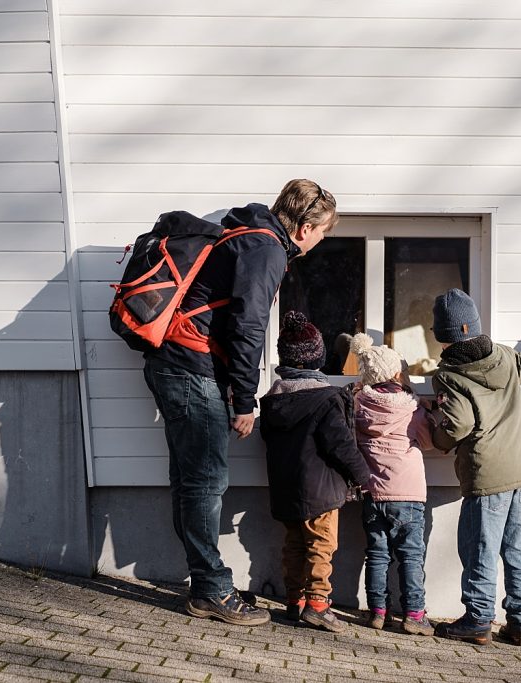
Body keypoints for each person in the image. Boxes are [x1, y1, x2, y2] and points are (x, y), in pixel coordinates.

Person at [142, 180, 337, 626]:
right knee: (206, 480)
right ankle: (211, 589)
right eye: (324, 231)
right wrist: (245, 401)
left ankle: (203, 584)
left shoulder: (247, 235)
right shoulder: (265, 249)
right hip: (189, 366)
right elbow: (247, 328)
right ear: (306, 227)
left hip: (177, 362)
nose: (322, 240)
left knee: (192, 479)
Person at [429, 288, 521, 646]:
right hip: (520, 468)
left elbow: (457, 426)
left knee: (479, 546)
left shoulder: (450, 376)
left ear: (442, 336)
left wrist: (436, 435)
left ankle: (478, 619)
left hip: (487, 475)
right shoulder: (505, 358)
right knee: (516, 547)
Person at [259, 312, 372, 633]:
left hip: (286, 489)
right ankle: (319, 605)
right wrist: (364, 476)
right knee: (321, 547)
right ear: (318, 359)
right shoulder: (325, 399)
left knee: (294, 544)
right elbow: (341, 445)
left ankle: (294, 602)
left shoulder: (273, 400)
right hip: (320, 491)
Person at [349, 333, 435, 635]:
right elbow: (426, 441)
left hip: (374, 494)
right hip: (409, 495)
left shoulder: (359, 405)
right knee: (411, 555)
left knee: (377, 554)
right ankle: (414, 614)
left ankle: (377, 612)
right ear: (398, 374)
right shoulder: (412, 408)